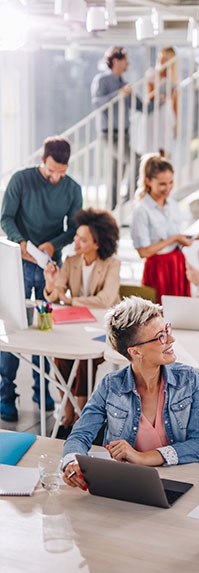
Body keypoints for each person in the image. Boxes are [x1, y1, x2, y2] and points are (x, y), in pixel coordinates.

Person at [61, 296, 199, 487]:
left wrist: (143, 458)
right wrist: (72, 461)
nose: (171, 339)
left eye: (167, 329)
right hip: (125, 484)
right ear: (135, 352)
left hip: (178, 481)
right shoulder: (110, 386)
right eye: (161, 336)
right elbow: (79, 436)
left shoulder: (188, 379)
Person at [0, 136, 82, 422]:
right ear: (42, 162)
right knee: (15, 329)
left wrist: (52, 245)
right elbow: (5, 217)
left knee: (46, 330)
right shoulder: (21, 181)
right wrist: (20, 242)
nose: (56, 177)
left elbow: (73, 229)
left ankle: (43, 389)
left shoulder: (73, 189)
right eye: (51, 172)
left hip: (49, 267)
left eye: (61, 172)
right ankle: (6, 394)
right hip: (18, 265)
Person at [43, 208, 121, 429]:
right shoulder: (71, 261)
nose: (76, 243)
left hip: (104, 328)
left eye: (83, 240)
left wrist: (70, 301)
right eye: (76, 237)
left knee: (85, 360)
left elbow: (105, 300)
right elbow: (57, 293)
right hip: (77, 326)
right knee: (61, 358)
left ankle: (81, 412)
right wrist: (51, 284)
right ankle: (68, 410)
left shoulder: (112, 264)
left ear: (97, 243)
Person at [130, 154, 199, 302]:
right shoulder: (141, 210)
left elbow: (174, 236)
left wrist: (189, 237)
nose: (168, 188)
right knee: (158, 314)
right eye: (163, 184)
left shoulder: (173, 205)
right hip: (157, 269)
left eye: (171, 183)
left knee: (181, 312)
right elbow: (143, 252)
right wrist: (174, 238)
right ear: (148, 181)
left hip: (177, 264)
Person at [91, 46, 142, 211]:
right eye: (125, 60)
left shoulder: (126, 84)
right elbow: (98, 103)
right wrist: (118, 94)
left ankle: (112, 211)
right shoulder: (102, 80)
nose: (128, 63)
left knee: (115, 176)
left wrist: (160, 99)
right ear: (115, 61)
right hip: (109, 134)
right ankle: (127, 201)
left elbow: (141, 107)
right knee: (137, 161)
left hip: (124, 134)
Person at [137, 46, 178, 158]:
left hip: (166, 114)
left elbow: (175, 104)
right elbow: (148, 97)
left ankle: (165, 171)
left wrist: (176, 125)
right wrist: (159, 93)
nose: (161, 61)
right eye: (160, 58)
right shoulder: (151, 73)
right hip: (154, 114)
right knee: (152, 148)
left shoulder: (173, 78)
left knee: (165, 148)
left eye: (165, 59)